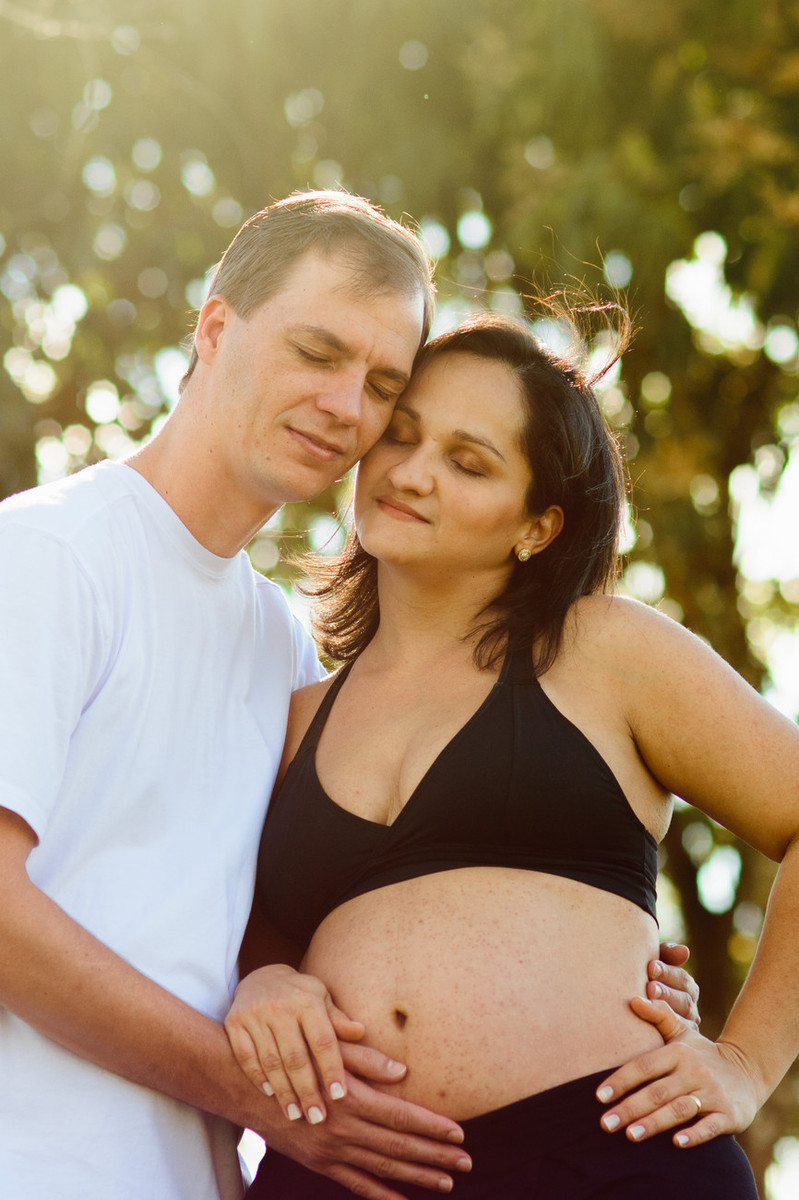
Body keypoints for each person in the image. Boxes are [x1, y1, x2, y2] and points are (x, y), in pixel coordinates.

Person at [0, 191, 698, 1200]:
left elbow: (270, 906)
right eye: (316, 352)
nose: (345, 407)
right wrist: (247, 1090)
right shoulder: (46, 555)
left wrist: (599, 961)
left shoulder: (281, 646)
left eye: (381, 382)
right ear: (213, 325)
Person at [224, 312, 799, 1198]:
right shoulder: (289, 715)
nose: (411, 473)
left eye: (468, 461)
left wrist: (744, 1063)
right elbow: (226, 918)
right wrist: (262, 976)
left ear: (536, 525)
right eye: (402, 436)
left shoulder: (604, 651)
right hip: (344, 1174)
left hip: (607, 1157)